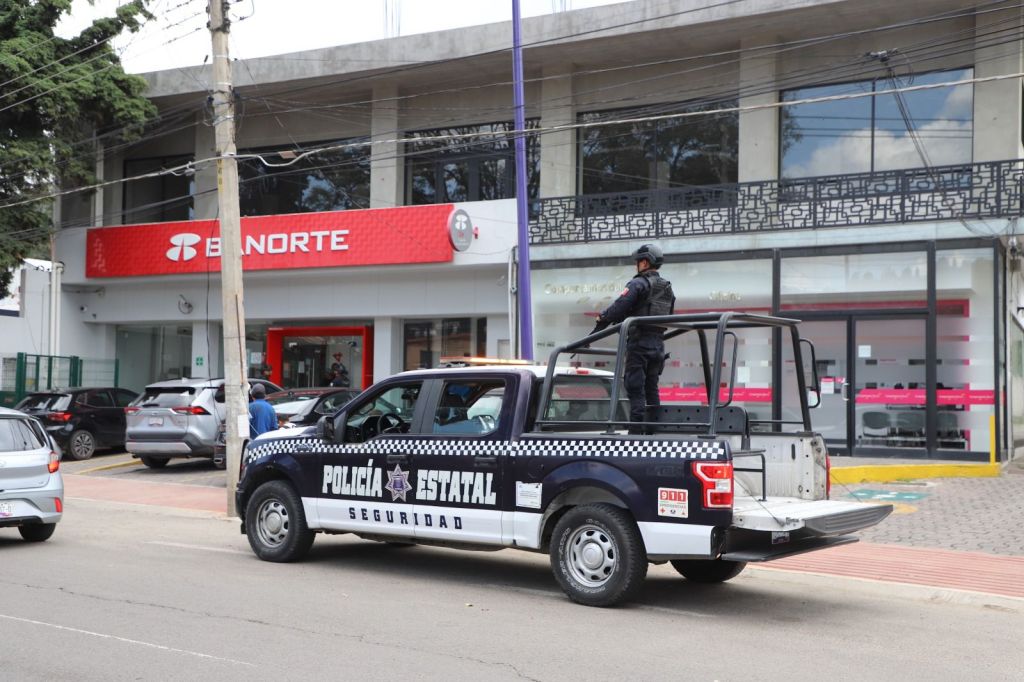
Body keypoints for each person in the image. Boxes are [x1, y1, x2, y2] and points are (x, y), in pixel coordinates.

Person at [593, 243, 675, 429]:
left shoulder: (638, 283)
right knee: (651, 388)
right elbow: (668, 313)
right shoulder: (667, 287)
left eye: (638, 262)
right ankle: (653, 431)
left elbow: (620, 306)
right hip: (658, 345)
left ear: (645, 262)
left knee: (635, 388)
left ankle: (636, 435)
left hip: (640, 344)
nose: (636, 265)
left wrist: (603, 317)